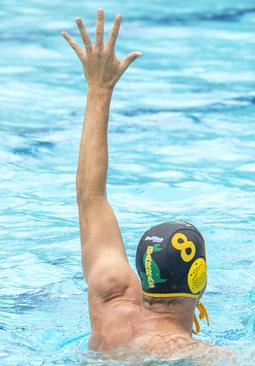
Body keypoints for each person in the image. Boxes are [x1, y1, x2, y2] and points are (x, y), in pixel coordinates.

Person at [62, 9, 225, 360]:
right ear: (198, 278)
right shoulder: (194, 354)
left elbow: (90, 196)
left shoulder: (110, 299)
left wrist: (98, 88)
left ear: (142, 271)